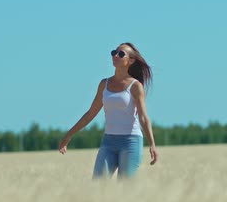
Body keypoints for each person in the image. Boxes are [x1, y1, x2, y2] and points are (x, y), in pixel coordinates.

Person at [58, 42, 158, 179]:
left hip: (131, 142)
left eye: (121, 54)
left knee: (126, 189)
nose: (115, 55)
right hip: (108, 142)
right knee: (98, 185)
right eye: (114, 52)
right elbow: (90, 114)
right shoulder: (104, 84)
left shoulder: (135, 86)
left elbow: (143, 117)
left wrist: (152, 144)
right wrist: (69, 135)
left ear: (131, 61)